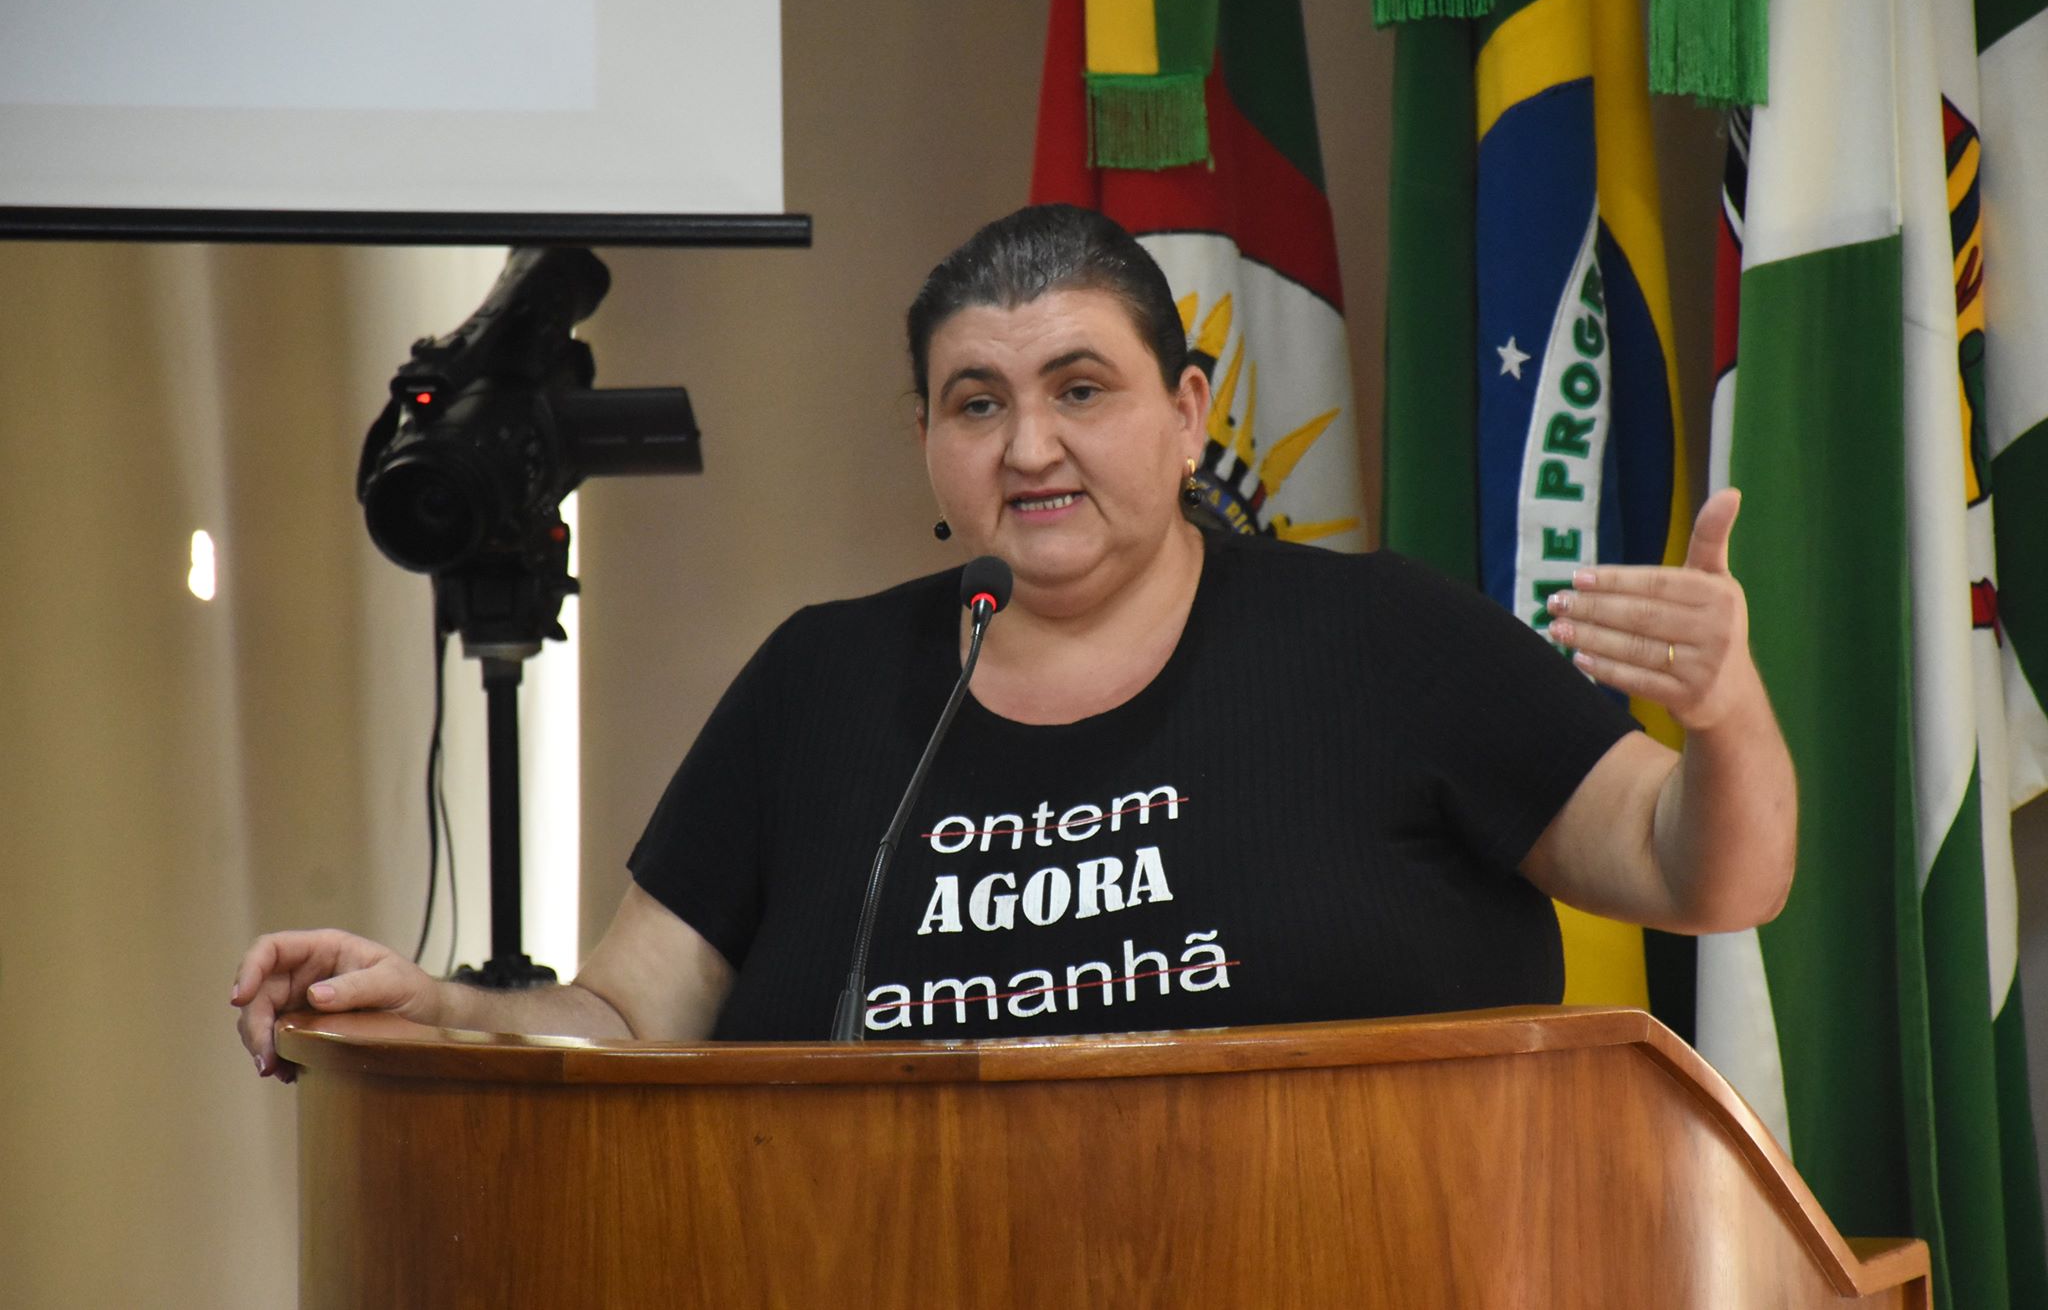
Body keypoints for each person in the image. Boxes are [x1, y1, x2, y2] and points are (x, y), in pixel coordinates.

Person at [234, 205, 1795, 1075]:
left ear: (1188, 415)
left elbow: (1700, 871)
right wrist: (447, 1004)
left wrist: (1724, 712)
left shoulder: (1383, 640)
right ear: (927, 442)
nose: (1030, 445)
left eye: (1081, 388)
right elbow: (636, 1017)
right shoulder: (823, 684)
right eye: (976, 402)